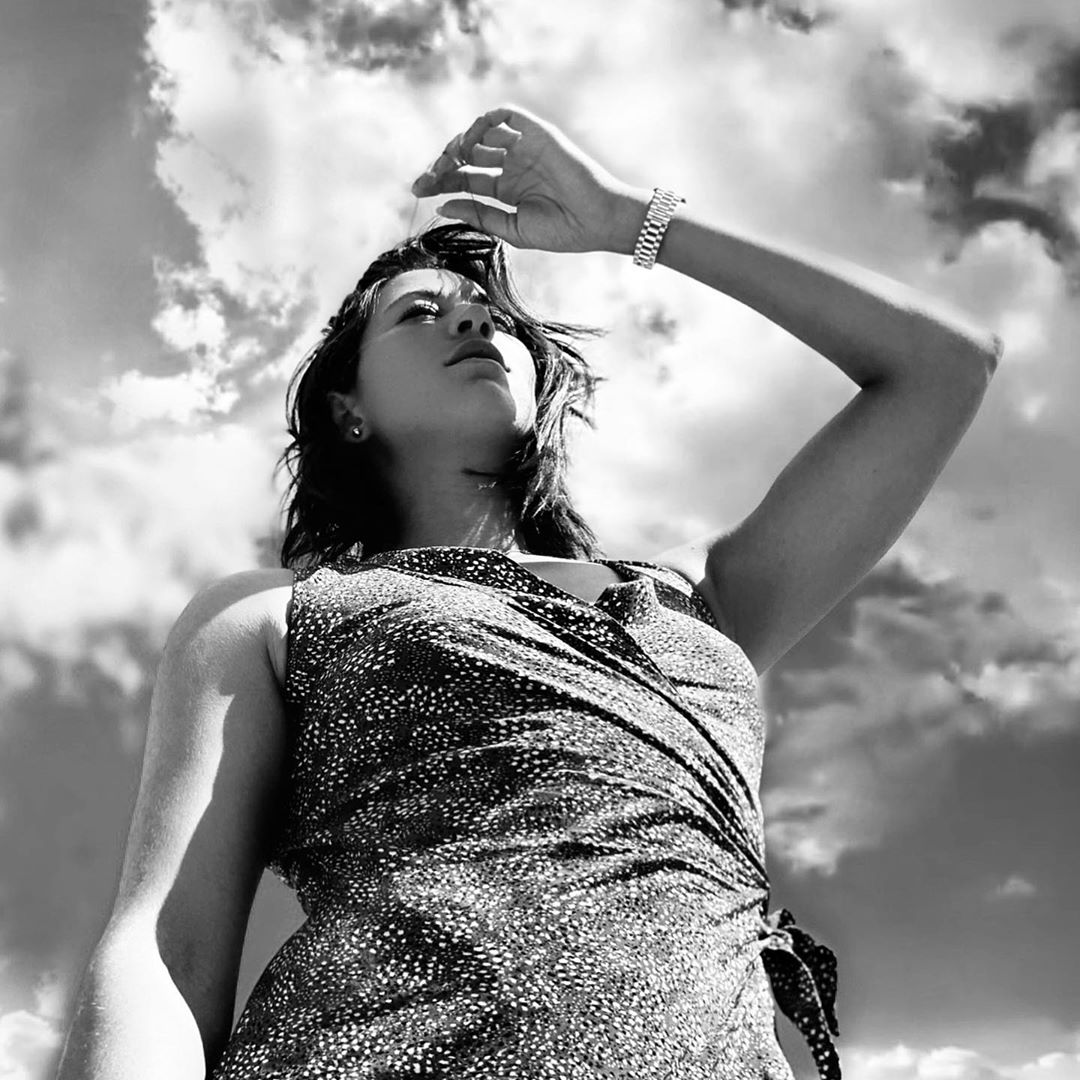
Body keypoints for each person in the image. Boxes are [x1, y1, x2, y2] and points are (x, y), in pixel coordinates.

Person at [55, 104, 1001, 1080]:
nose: (472, 319)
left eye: (491, 314)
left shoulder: (699, 600)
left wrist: (631, 219)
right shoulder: (275, 613)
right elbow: (170, 950)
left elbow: (942, 367)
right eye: (418, 314)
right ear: (346, 408)